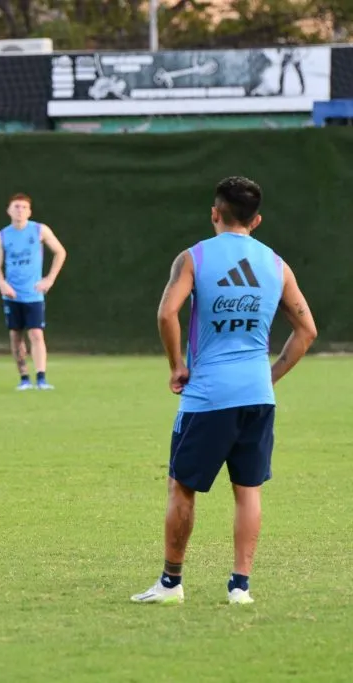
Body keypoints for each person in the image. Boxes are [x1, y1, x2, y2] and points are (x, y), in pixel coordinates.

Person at [131, 176, 317, 605]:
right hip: (257, 396)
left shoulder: (194, 258)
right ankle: (240, 587)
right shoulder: (277, 265)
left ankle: (172, 584)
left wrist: (177, 364)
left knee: (182, 486)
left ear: (215, 213)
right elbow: (307, 330)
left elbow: (166, 314)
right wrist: (268, 378)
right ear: (257, 220)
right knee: (248, 490)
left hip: (208, 396)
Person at [0, 193, 67, 390]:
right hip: (12, 295)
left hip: (33, 293)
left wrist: (49, 279)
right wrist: (3, 285)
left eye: (24, 207)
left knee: (36, 333)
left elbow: (60, 252)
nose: (20, 210)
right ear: (9, 210)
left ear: (30, 211)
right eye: (16, 207)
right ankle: (24, 378)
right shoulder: (2, 236)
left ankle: (41, 377)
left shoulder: (39, 230)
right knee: (16, 336)